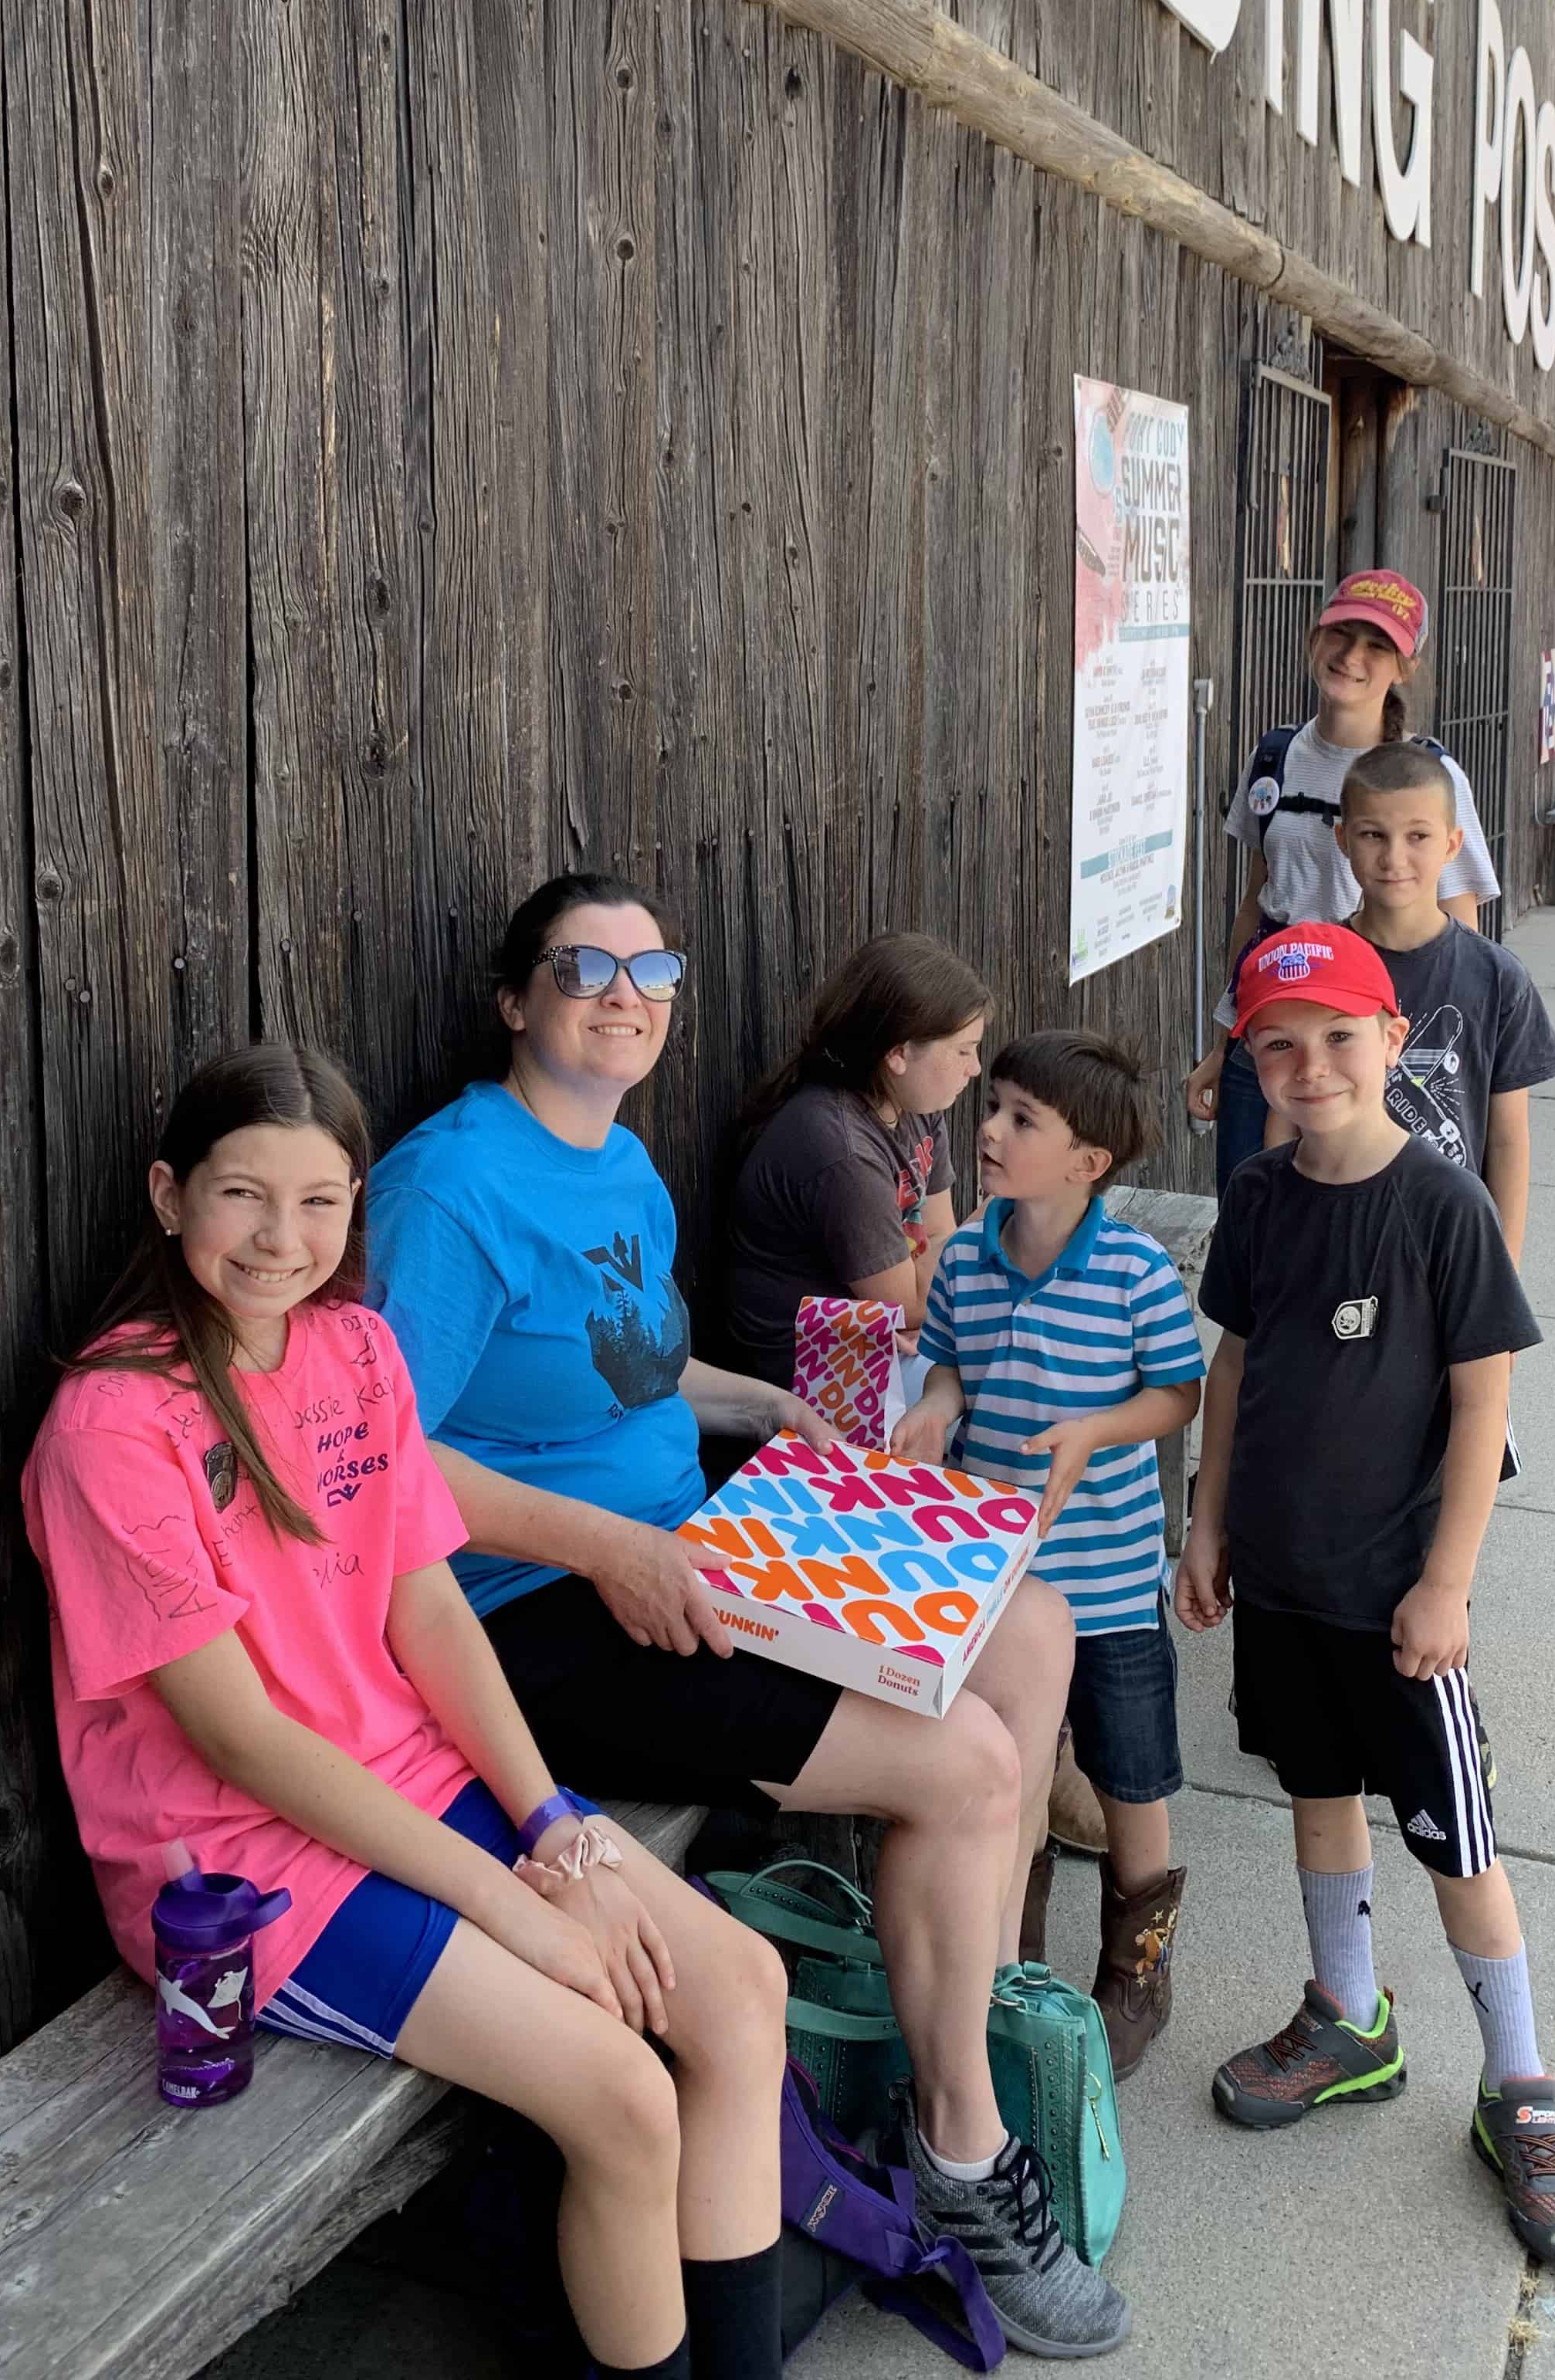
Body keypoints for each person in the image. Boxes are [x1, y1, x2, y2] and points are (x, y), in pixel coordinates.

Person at [364, 875, 1126, 2359]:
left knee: (1031, 1626)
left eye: (652, 969)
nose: (622, 991)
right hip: (540, 1614)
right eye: (583, 965)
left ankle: (963, 1989)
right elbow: (383, 1453)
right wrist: (604, 1547)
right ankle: (960, 2148)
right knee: (967, 1761)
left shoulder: (621, 1167)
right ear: (516, 999)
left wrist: (773, 1406)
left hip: (695, 1549)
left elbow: (642, 1372)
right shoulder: (449, 1187)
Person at [22, 1044, 794, 2380]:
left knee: (736, 1988)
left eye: (319, 1202)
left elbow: (427, 1611)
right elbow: (240, 1739)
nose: (280, 1238)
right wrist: (511, 1906)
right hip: (239, 1861)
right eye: (240, 1195)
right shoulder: (112, 1420)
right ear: (168, 1195)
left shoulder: (356, 1346)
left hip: (412, 1778)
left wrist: (553, 1827)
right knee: (620, 2092)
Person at [1178, 926, 1555, 2266]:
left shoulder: (1440, 1204)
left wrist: (1445, 1582)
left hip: (1395, 1604)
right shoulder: (1254, 1198)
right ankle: (1346, 2016)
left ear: (1390, 1038)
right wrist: (1206, 1522)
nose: (1307, 1067)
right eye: (1275, 1044)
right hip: (1282, 1584)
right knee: (1315, 1795)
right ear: (1247, 1060)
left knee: (1454, 1847)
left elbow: (1483, 1399)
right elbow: (1234, 1365)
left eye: (1335, 1038)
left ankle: (1517, 2086)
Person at [892, 1033, 1206, 2077]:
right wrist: (936, 1409)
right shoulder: (970, 1254)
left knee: (1130, 1774)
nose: (989, 1129)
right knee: (1013, 1775)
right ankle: (1012, 1962)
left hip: (1109, 1584)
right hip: (997, 1586)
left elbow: (1177, 1393)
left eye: (1024, 1120)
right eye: (997, 1106)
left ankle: (1135, 1970)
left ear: (1089, 1164)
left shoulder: (1134, 1272)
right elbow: (946, 1362)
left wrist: (1095, 1433)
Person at [1183, 568, 1499, 1188]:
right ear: (1313, 638)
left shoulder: (1430, 777)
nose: (1352, 657)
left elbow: (1460, 936)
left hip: (1369, 1048)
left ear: (1405, 667)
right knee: (1256, 1211)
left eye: (1377, 645)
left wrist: (1439, 1068)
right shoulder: (1273, 757)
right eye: (1341, 634)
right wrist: (1224, 1044)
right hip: (1269, 1034)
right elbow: (1257, 908)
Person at [1262, 742, 1555, 1254]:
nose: (1394, 858)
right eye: (1373, 835)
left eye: (1418, 836)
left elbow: (1509, 1139)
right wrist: (1281, 1239)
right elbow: (1284, 1119)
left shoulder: (1498, 979)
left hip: (1446, 1239)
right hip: (1331, 1231)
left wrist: (1503, 1272)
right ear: (1342, 839)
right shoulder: (1315, 965)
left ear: (1453, 845)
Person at [717, 932, 989, 1391]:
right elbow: (913, 1298)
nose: (976, 1067)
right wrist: (993, 1220)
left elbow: (941, 1239)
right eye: (964, 1049)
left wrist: (928, 1298)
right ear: (899, 1054)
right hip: (813, 1374)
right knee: (1009, 1380)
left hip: (881, 1337)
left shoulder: (917, 1107)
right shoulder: (843, 1150)